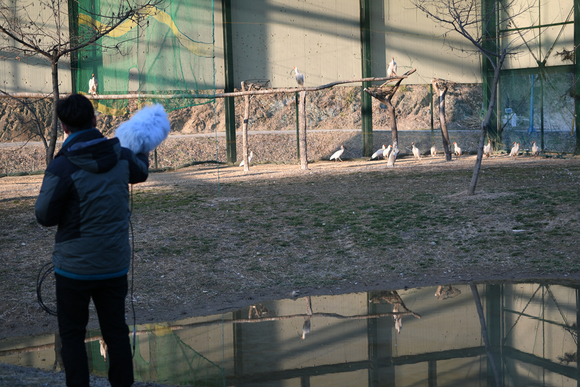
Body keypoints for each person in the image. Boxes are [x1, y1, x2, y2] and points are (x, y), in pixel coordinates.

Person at [35, 94, 149, 387]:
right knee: (116, 332)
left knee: (72, 335)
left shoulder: (61, 167)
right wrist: (142, 143)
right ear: (95, 121)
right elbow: (141, 172)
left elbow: (44, 216)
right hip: (114, 264)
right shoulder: (122, 156)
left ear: (63, 127)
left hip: (73, 268)